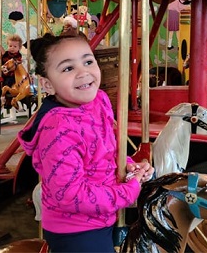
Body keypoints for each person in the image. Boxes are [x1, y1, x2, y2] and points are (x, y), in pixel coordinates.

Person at [17, 32, 154, 252]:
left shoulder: (99, 100)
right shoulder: (58, 128)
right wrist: (129, 191)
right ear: (47, 85)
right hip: (75, 229)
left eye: (88, 61)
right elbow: (71, 195)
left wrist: (128, 166)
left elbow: (105, 150)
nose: (83, 72)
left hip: (103, 214)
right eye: (68, 68)